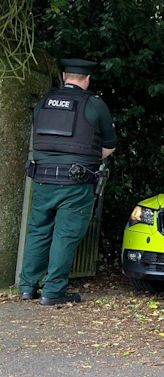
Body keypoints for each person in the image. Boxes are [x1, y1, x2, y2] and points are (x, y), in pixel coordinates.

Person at [18, 58, 117, 305]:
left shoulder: (43, 102)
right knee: (66, 235)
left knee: (38, 232)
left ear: (64, 76)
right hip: (75, 183)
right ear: (87, 79)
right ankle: (53, 291)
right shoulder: (93, 104)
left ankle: (28, 287)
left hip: (42, 179)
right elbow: (109, 146)